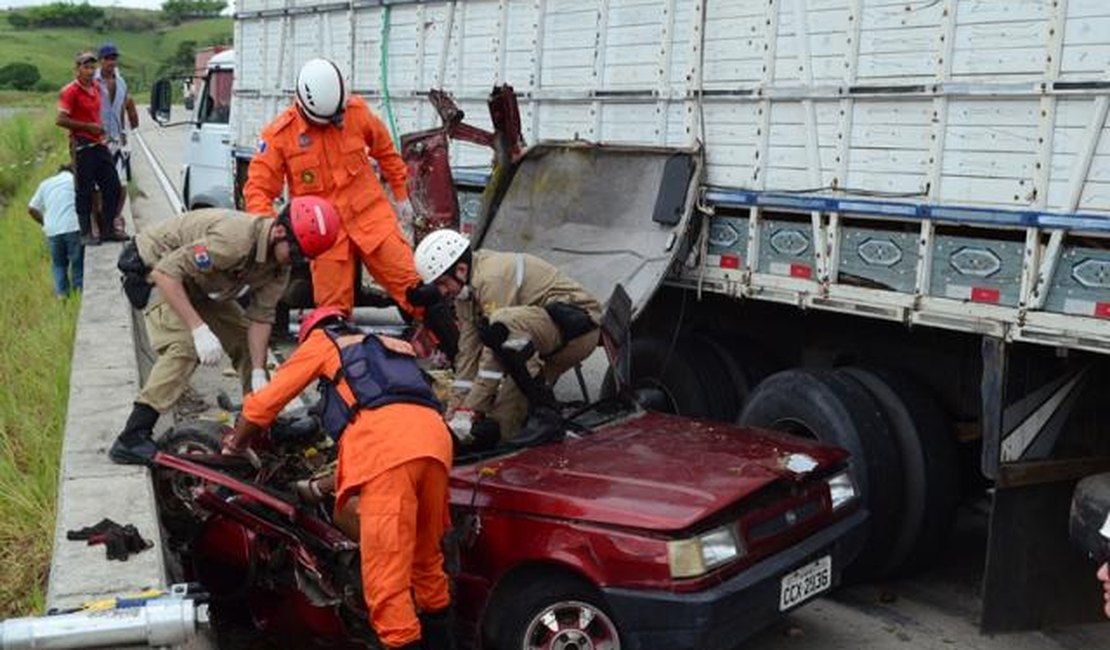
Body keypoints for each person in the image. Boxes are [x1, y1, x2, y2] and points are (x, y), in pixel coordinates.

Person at [221, 307, 455, 650]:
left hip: (386, 449)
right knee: (425, 559)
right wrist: (317, 487)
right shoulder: (381, 343)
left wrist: (236, 445)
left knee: (386, 581)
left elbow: (263, 405)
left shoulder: (322, 341)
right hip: (434, 442)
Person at [108, 196, 341, 465]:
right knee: (185, 347)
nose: (295, 263)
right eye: (296, 254)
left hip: (196, 283)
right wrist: (198, 329)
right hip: (151, 273)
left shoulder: (280, 266)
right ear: (279, 231)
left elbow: (261, 318)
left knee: (245, 341)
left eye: (304, 259)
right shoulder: (235, 241)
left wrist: (257, 372)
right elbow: (166, 273)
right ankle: (132, 435)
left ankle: (260, 421)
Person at [243, 57, 422, 317]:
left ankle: (445, 337)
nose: (334, 122)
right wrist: (272, 235)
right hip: (324, 234)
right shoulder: (280, 136)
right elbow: (258, 190)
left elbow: (385, 151)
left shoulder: (355, 112)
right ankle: (336, 343)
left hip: (372, 218)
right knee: (332, 313)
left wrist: (401, 194)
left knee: (415, 289)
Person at [413, 229, 602, 442]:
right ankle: (532, 427)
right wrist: (454, 415)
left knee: (502, 324)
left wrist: (471, 408)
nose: (441, 292)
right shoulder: (464, 292)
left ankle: (546, 414)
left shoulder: (492, 278)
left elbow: (494, 352)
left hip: (577, 331)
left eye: (442, 283)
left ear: (461, 269)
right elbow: (467, 355)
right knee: (504, 421)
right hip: (535, 343)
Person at [56, 51, 123, 246]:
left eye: (93, 67)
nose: (90, 71)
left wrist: (102, 129)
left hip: (99, 142)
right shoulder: (70, 91)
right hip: (82, 145)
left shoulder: (95, 87)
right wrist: (88, 127)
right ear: (77, 69)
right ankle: (85, 234)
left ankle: (108, 230)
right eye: (86, 67)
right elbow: (60, 120)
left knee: (113, 186)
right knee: (84, 190)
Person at [94, 42, 139, 232]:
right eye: (107, 58)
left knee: (121, 183)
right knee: (97, 186)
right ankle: (97, 222)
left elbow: (121, 107)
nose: (111, 62)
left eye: (113, 58)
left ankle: (115, 217)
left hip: (116, 139)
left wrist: (123, 131)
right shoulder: (93, 81)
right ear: (100, 60)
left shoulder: (121, 82)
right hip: (97, 139)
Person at [27, 164, 83, 297]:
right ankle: (79, 293)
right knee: (77, 263)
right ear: (73, 172)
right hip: (73, 226)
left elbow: (31, 208)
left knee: (58, 265)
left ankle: (62, 296)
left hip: (52, 231)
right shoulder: (74, 180)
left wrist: (44, 223)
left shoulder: (45, 184)